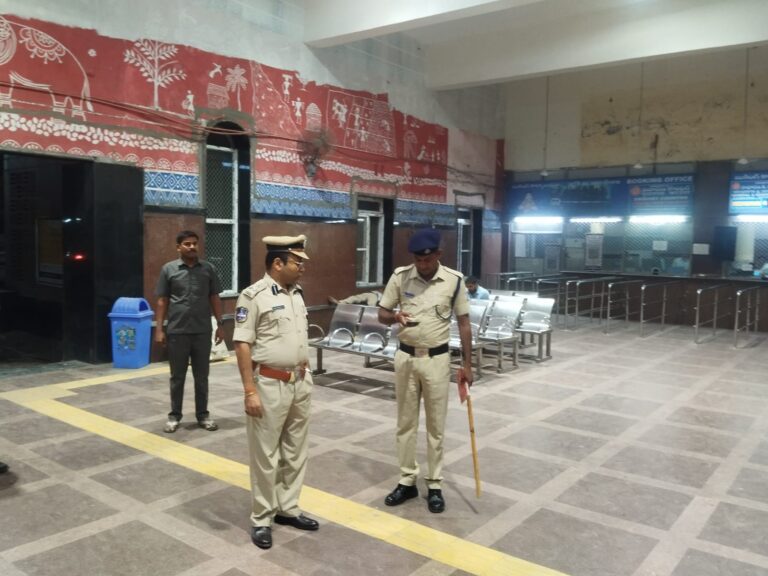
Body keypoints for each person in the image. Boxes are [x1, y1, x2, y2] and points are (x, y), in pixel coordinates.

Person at [378, 228, 474, 514]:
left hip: (437, 360)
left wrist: (468, 365)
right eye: (418, 260)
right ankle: (407, 480)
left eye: (428, 260)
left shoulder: (454, 281)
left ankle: (434, 484)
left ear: (438, 255)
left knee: (436, 425)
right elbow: (382, 314)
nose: (422, 265)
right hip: (406, 358)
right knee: (405, 423)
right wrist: (395, 316)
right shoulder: (400, 277)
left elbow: (464, 323)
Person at [233, 234, 319, 550]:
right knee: (266, 455)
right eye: (297, 262)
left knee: (295, 451)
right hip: (269, 384)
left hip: (300, 382)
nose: (302, 267)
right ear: (278, 263)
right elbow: (242, 344)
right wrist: (249, 391)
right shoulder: (253, 296)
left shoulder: (297, 293)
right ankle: (262, 518)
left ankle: (288, 508)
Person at [155, 230, 224, 433]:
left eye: (194, 243)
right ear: (178, 247)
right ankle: (174, 416)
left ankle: (203, 415)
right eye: (187, 244)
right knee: (177, 377)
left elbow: (215, 298)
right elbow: (162, 301)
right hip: (177, 331)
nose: (192, 247)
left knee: (202, 377)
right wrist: (159, 329)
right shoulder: (169, 269)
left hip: (202, 331)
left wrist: (220, 325)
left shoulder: (208, 269)